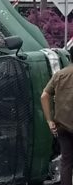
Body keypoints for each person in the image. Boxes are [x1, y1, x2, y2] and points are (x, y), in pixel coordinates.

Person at [41, 47, 73, 185]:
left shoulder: (60, 75)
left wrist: (49, 121)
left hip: (63, 126)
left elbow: (45, 95)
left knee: (66, 161)